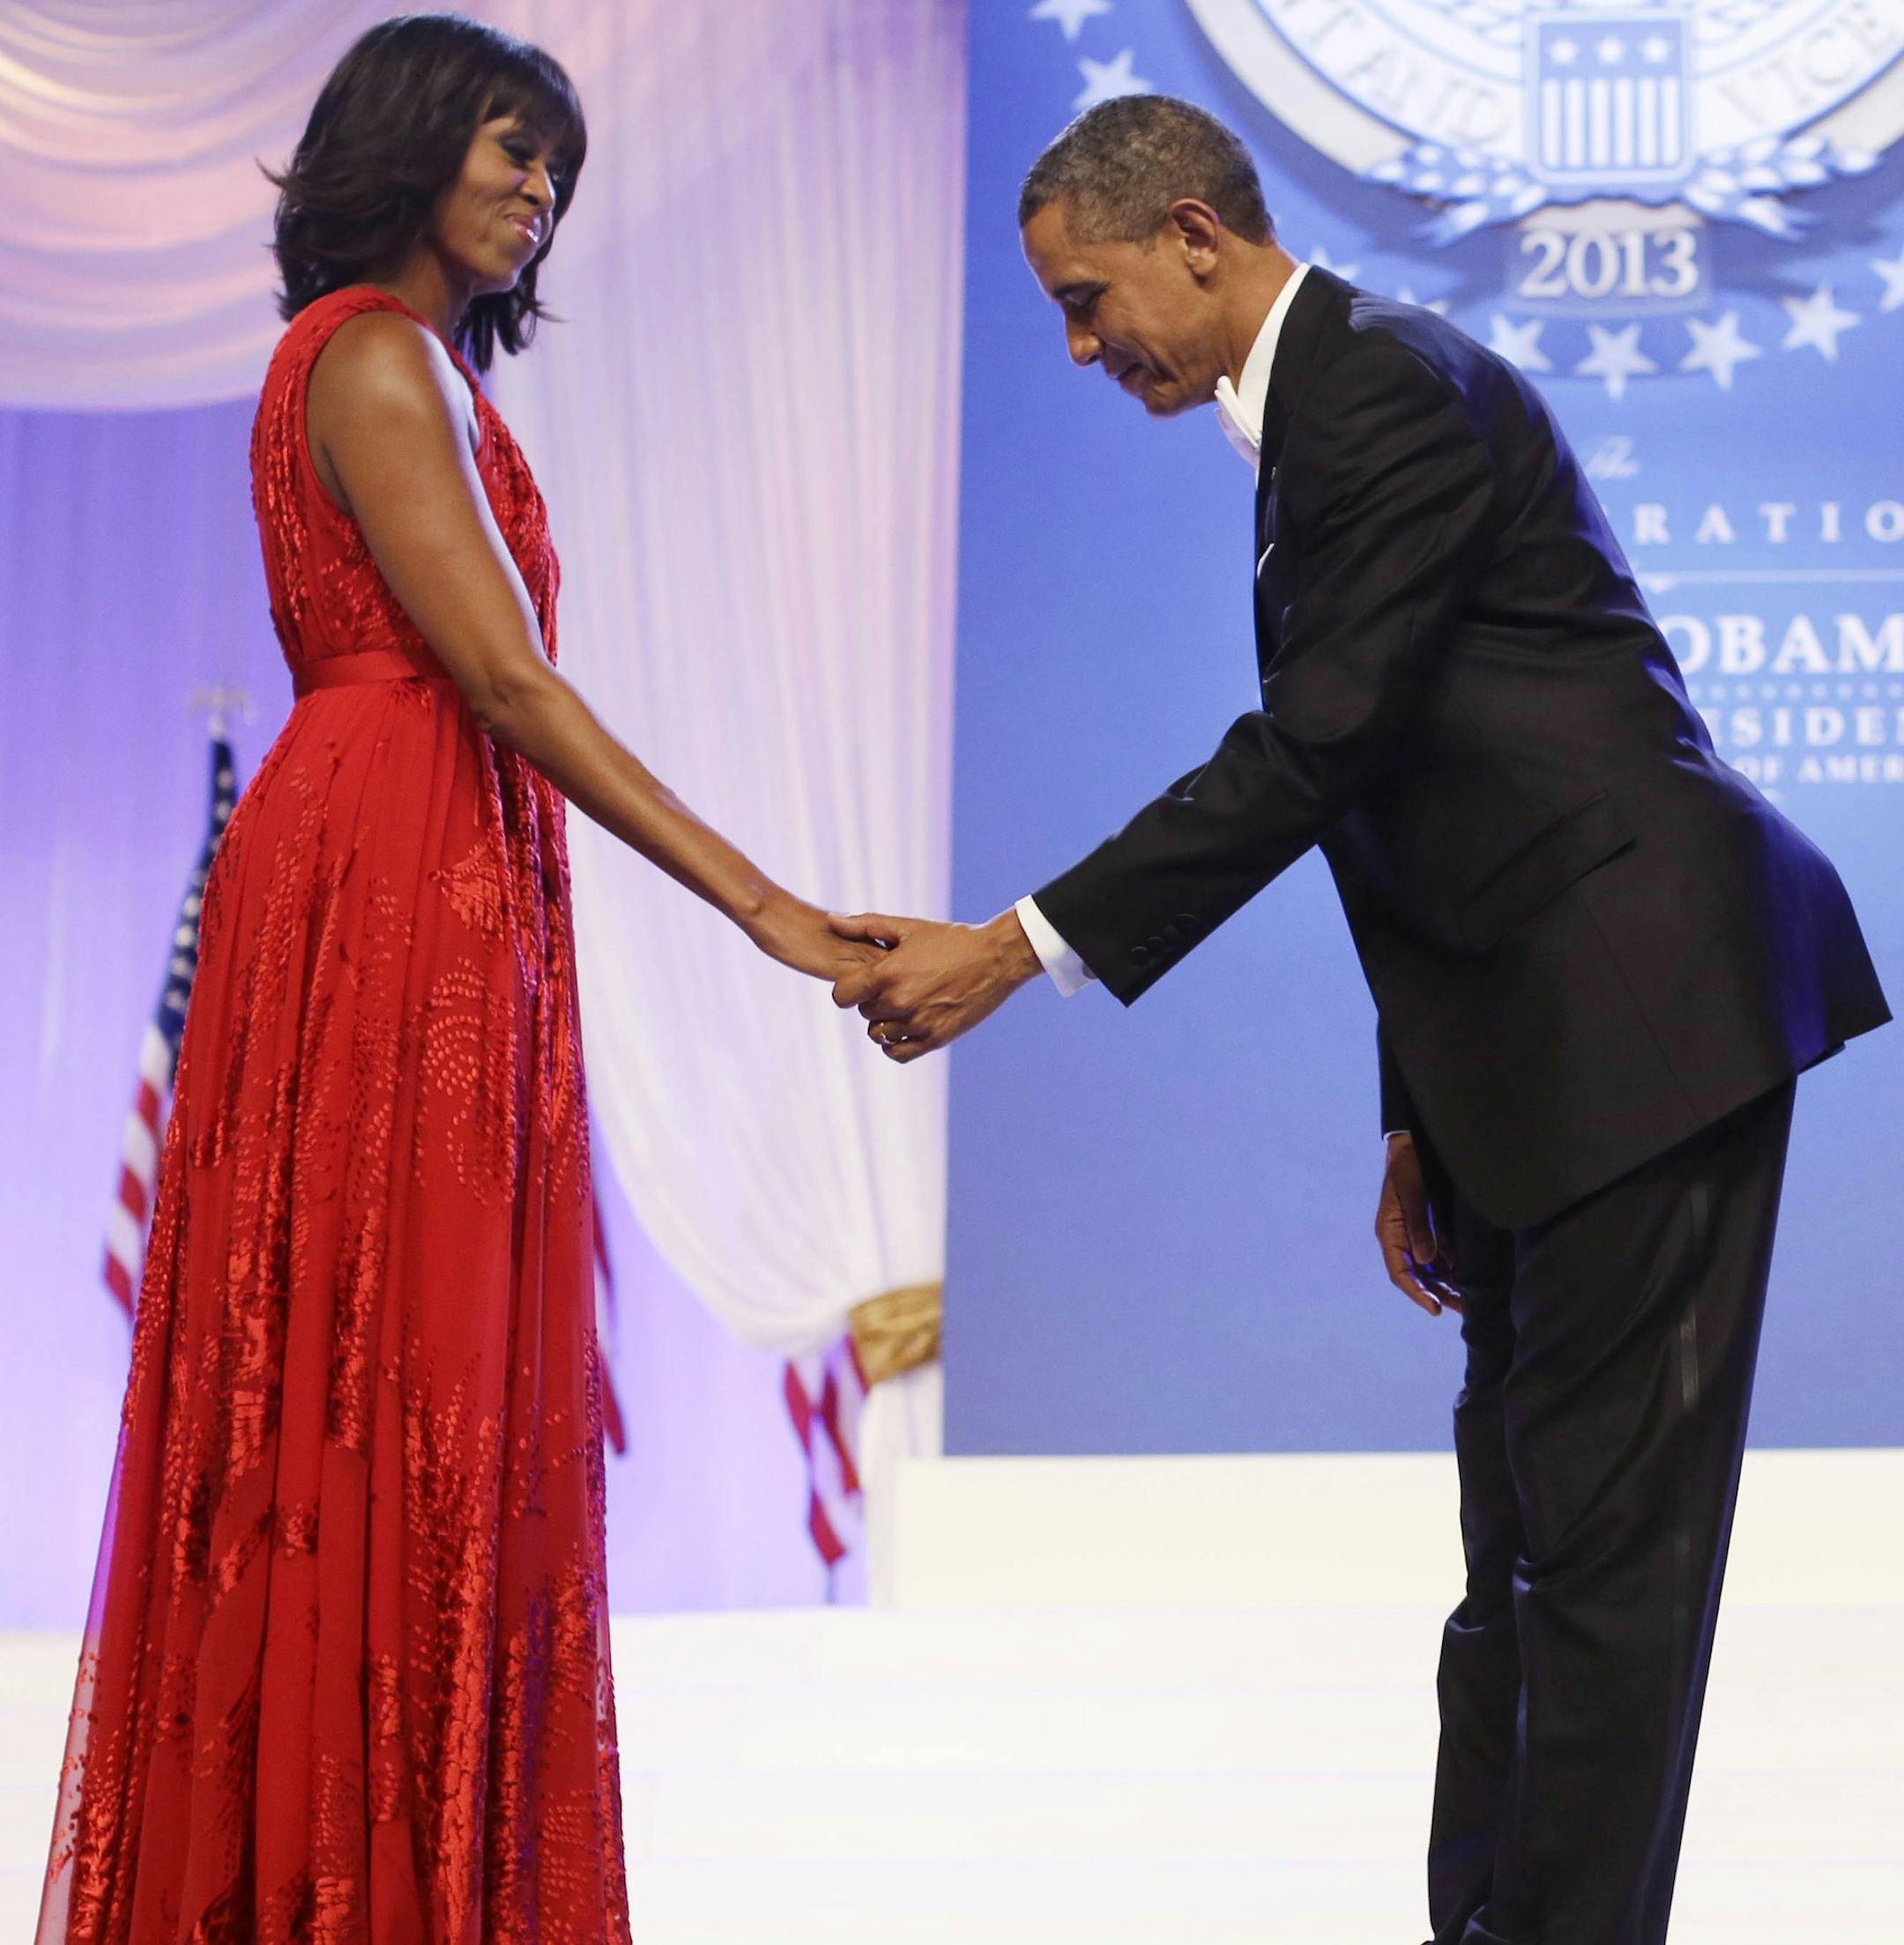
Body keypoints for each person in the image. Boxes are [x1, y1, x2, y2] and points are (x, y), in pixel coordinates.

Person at [829, 96, 1889, 1945]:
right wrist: (1424, 1113)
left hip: (1650, 1018)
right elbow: (1420, 790)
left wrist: (1012, 948)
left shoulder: (1382, 387)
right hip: (1543, 1045)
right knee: (1525, 1561)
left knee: (1606, 1573)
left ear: (1191, 235)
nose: (1085, 350)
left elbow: (1320, 750)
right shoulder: (1328, 408)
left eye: (1089, 301)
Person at [36, 18, 874, 1943]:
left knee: (376, 1368)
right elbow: (499, 678)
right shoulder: (373, 354)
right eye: (514, 149)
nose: (538, 190)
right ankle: (364, 1883)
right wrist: (765, 906)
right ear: (414, 144)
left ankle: (355, 1870)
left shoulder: (362, 360)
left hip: (404, 858)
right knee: (386, 1370)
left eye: (557, 168)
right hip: (392, 866)